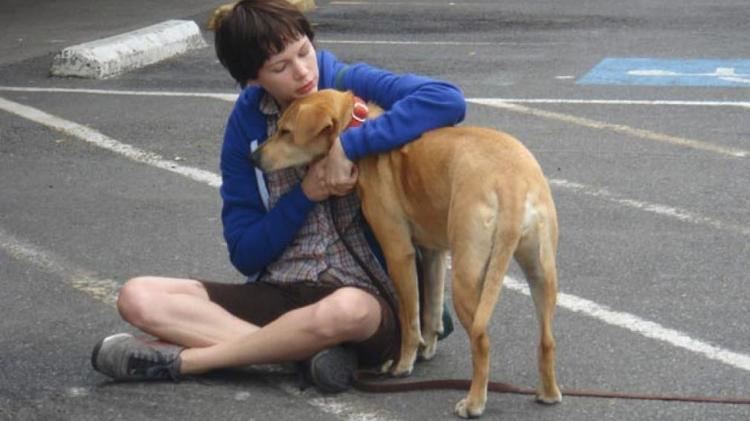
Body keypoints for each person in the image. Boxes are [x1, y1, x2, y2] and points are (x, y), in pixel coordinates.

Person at [91, 0, 465, 393]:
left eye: (303, 51)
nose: (303, 72)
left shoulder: (346, 84)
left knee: (345, 310)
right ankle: (302, 354)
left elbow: (447, 99)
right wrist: (305, 195)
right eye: (279, 67)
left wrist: (349, 145)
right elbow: (246, 252)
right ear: (253, 79)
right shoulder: (247, 126)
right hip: (281, 291)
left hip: (369, 301)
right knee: (138, 296)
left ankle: (189, 361)